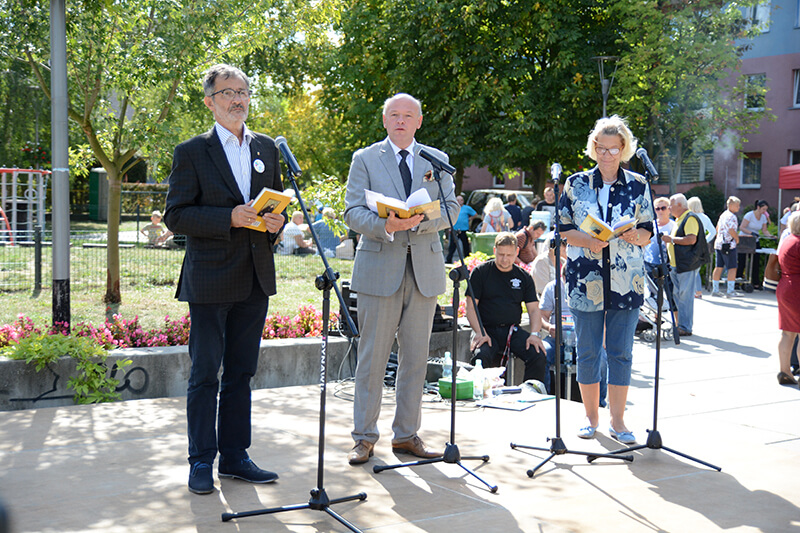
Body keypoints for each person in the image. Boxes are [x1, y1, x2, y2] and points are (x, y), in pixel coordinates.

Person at [164, 64, 285, 495]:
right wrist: (228, 218)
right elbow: (177, 215)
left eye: (244, 91)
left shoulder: (267, 148)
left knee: (240, 373)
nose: (238, 98)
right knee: (205, 375)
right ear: (209, 102)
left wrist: (277, 223)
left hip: (254, 278)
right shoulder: (191, 151)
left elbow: (276, 208)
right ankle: (201, 461)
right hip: (211, 280)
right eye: (228, 92)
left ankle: (235, 457)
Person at [343, 93, 459, 465]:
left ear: (419, 121)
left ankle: (406, 435)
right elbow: (352, 213)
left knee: (416, 359)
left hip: (424, 270)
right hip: (380, 268)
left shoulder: (436, 160)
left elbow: (453, 208)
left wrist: (425, 219)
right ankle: (364, 437)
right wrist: (386, 225)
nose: (401, 120)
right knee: (372, 358)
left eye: (408, 115)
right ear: (385, 120)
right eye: (394, 114)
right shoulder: (365, 158)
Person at [559, 115, 653, 445]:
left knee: (621, 353)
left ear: (624, 149)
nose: (607, 154)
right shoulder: (576, 183)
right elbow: (564, 227)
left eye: (614, 149)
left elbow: (648, 229)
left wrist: (635, 236)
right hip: (586, 280)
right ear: (593, 148)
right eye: (601, 148)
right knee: (587, 353)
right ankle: (590, 418)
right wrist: (587, 240)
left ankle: (618, 420)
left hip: (627, 282)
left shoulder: (639, 184)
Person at [465, 232, 546, 384]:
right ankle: (481, 392)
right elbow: (471, 308)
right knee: (480, 357)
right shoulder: (481, 272)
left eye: (509, 255)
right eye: (501, 254)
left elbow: (534, 310)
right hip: (486, 330)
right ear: (495, 251)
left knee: (537, 355)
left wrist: (535, 334)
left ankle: (531, 393)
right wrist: (479, 332)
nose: (504, 259)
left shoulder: (523, 277)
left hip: (512, 330)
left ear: (516, 252)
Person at [539, 264, 608, 405]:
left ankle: (599, 403)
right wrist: (548, 327)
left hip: (585, 339)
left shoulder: (590, 288)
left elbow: (603, 317)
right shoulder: (553, 288)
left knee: (601, 360)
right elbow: (541, 316)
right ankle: (545, 398)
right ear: (563, 277)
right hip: (557, 339)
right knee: (542, 353)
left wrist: (602, 340)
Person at [662, 194, 708, 337]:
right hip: (678, 264)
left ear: (680, 206)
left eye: (671, 205)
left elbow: (691, 239)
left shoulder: (690, 218)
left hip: (687, 264)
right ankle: (681, 324)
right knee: (678, 295)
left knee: (684, 296)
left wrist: (672, 239)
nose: (669, 208)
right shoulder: (680, 219)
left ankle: (685, 327)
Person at [776, 212, 800, 386]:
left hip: (785, 286)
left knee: (787, 333)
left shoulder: (788, 240)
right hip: (797, 288)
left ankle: (784, 371)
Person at [738, 199, 773, 290]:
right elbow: (742, 227)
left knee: (755, 262)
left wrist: (771, 236)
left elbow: (764, 230)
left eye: (766, 210)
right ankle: (737, 282)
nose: (764, 212)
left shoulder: (763, 217)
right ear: (758, 207)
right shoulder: (749, 215)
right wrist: (751, 233)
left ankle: (756, 283)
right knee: (742, 262)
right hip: (745, 240)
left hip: (755, 241)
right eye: (763, 209)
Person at [711, 196, 742, 298]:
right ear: (731, 205)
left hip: (719, 243)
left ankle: (715, 290)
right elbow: (731, 230)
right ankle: (730, 291)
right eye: (737, 205)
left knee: (718, 267)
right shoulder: (732, 216)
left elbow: (717, 228)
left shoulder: (723, 215)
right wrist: (736, 239)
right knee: (732, 268)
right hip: (729, 245)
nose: (738, 207)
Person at [687, 196, 716, 298]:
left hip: (689, 245)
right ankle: (698, 291)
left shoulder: (689, 217)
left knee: (689, 270)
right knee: (696, 269)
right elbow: (713, 232)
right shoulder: (705, 217)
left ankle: (694, 291)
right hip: (701, 247)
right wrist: (704, 241)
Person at [530, 232, 567, 297]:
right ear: (552, 245)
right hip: (546, 301)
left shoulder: (563, 261)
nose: (566, 247)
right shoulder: (541, 261)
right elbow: (542, 289)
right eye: (563, 243)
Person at [445, 195, 477, 263]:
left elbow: (475, 214)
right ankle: (449, 259)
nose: (459, 201)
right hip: (455, 229)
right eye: (458, 200)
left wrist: (470, 219)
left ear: (463, 201)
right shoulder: (453, 208)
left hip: (464, 229)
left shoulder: (467, 208)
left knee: (466, 245)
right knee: (452, 246)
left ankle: (467, 259)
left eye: (461, 200)